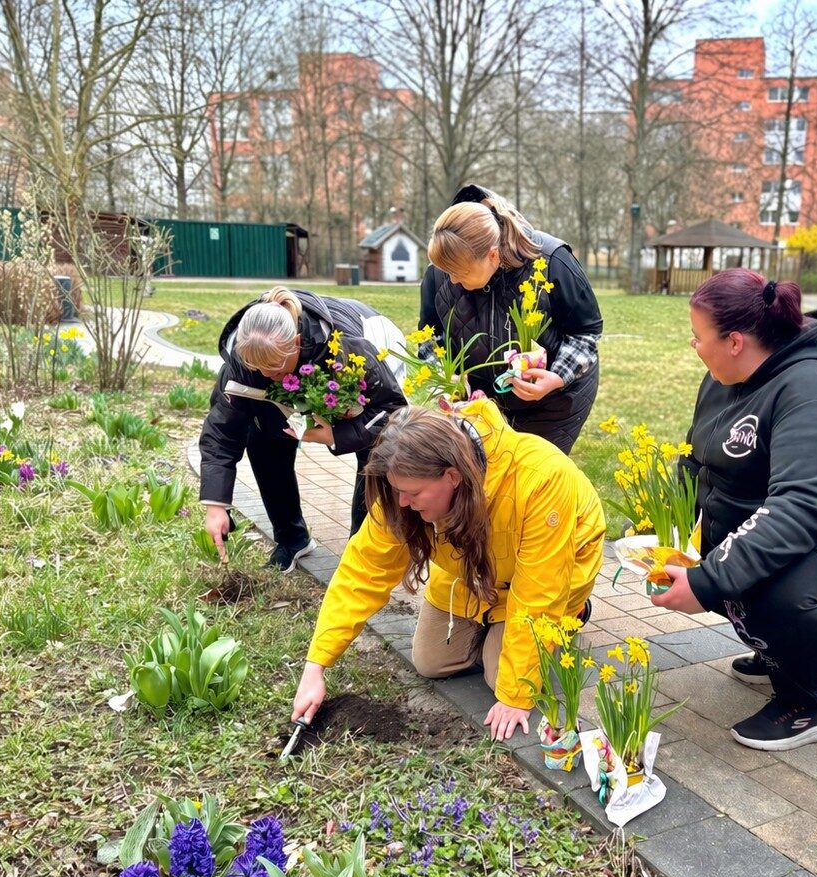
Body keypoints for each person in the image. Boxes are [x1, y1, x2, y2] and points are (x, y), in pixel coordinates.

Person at [650, 269, 817, 751]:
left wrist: (711, 579)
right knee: (730, 563)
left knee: (776, 590)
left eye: (698, 336)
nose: (693, 346)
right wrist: (664, 531)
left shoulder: (813, 389)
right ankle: (780, 652)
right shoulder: (721, 379)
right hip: (813, 522)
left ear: (734, 340)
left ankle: (810, 705)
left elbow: (801, 508)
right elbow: (698, 461)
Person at [291, 399, 607, 740]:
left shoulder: (541, 479)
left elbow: (539, 591)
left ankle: (574, 612)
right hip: (473, 574)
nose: (401, 503)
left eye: (412, 493)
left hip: (550, 575)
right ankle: (495, 626)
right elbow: (362, 571)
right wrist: (316, 666)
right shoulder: (405, 477)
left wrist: (515, 697)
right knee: (432, 662)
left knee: (502, 677)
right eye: (397, 491)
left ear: (453, 476)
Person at [198, 287, 408, 568]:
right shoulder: (243, 363)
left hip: (373, 357)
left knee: (375, 451)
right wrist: (216, 505)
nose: (266, 374)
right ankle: (291, 539)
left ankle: (360, 553)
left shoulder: (349, 345)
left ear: (297, 342)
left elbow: (392, 412)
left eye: (274, 365)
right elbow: (221, 433)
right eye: (256, 367)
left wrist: (337, 435)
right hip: (303, 382)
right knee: (260, 437)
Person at [418, 184, 602, 454]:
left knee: (532, 478)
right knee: (482, 476)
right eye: (447, 272)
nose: (452, 280)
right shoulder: (444, 269)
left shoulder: (552, 260)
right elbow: (428, 337)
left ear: (492, 256)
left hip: (551, 401)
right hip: (479, 400)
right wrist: (444, 377)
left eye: (459, 273)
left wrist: (557, 377)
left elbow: (585, 333)